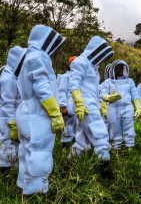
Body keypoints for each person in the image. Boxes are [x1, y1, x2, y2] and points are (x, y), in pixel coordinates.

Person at [16, 25, 65, 195]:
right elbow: (42, 87)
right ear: (44, 40)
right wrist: (55, 113)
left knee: (25, 153)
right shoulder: (38, 57)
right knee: (39, 154)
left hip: (26, 112)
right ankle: (36, 195)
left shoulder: (27, 57)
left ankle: (23, 187)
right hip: (39, 114)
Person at [69, 36, 114, 177]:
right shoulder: (80, 62)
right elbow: (73, 84)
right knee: (100, 133)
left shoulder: (94, 67)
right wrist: (80, 103)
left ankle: (70, 163)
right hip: (84, 103)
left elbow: (94, 89)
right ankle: (104, 169)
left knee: (83, 140)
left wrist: (102, 102)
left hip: (90, 103)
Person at [0, 46, 25, 173]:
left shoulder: (12, 75)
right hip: (7, 116)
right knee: (8, 143)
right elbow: (7, 104)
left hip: (12, 115)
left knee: (16, 144)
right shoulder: (8, 79)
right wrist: (12, 123)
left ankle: (14, 169)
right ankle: (5, 172)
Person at [100, 60, 141, 150]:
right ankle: (116, 149)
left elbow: (135, 95)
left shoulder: (130, 81)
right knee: (115, 130)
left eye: (122, 67)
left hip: (127, 108)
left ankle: (130, 148)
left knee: (129, 128)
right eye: (117, 67)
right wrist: (107, 97)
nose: (120, 69)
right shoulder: (108, 82)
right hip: (113, 109)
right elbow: (102, 94)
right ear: (113, 69)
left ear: (125, 68)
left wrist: (138, 107)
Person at [57, 56, 78, 148]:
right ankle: (65, 146)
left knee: (78, 126)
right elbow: (61, 91)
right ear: (69, 65)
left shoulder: (79, 77)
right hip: (69, 103)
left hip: (78, 104)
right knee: (68, 126)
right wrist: (64, 106)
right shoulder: (65, 77)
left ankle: (75, 147)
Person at [99, 63, 112, 131]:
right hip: (106, 108)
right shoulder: (102, 85)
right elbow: (101, 97)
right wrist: (104, 110)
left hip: (117, 108)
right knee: (105, 125)